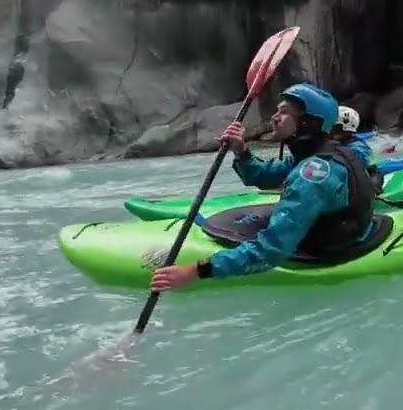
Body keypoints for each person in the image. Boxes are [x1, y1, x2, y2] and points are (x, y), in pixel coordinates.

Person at [148, 82, 378, 291]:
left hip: (333, 245)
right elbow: (265, 176)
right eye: (277, 111)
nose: (274, 118)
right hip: (344, 227)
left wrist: (196, 271)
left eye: (284, 112)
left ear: (308, 122)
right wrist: (241, 151)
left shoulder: (312, 176)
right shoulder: (319, 153)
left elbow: (271, 250)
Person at [332, 105, 384, 193]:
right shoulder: (335, 142)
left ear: (340, 127)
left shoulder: (357, 148)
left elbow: (354, 171)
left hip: (367, 181)